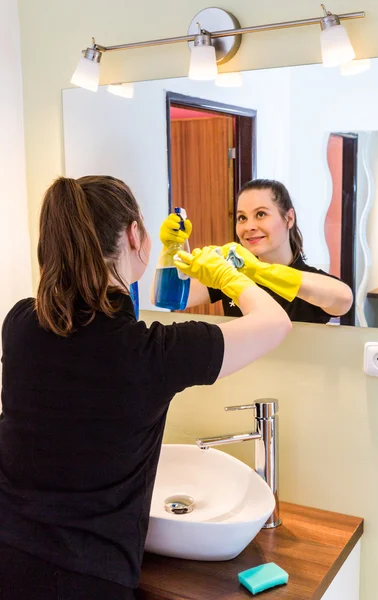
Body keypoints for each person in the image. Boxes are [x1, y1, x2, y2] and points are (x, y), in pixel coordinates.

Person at [0, 176, 291, 600]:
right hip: (87, 578)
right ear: (135, 233)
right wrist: (231, 276)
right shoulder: (150, 353)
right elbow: (275, 323)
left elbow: (103, 314)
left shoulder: (22, 322)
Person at [160, 179, 353, 324]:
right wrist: (173, 247)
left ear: (289, 218)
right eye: (242, 218)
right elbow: (170, 298)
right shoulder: (229, 274)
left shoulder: (309, 280)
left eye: (261, 214)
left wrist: (258, 271)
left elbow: (344, 299)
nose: (249, 226)